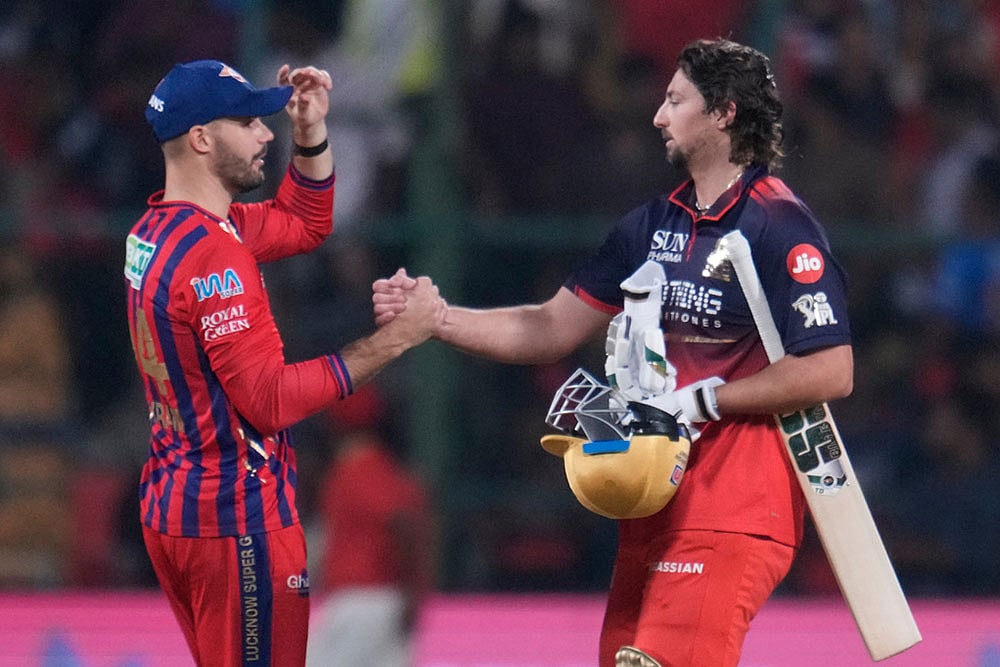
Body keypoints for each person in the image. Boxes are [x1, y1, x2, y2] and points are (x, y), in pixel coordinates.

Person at [374, 38, 854, 667]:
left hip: (735, 507)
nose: (658, 115)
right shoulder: (650, 226)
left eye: (676, 100)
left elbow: (830, 369)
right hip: (652, 505)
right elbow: (549, 327)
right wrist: (437, 319)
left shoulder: (778, 225)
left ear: (724, 114)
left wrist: (705, 398)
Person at [125, 59, 444, 667]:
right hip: (236, 520)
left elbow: (304, 221)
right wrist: (399, 337)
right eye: (249, 122)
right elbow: (269, 400)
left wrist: (310, 132)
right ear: (201, 138)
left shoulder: (157, 230)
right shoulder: (215, 258)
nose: (265, 134)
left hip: (177, 504)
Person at [307, 385, 435, 666]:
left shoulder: (364, 470)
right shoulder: (374, 469)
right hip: (370, 600)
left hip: (367, 600)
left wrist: (413, 589)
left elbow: (402, 522)